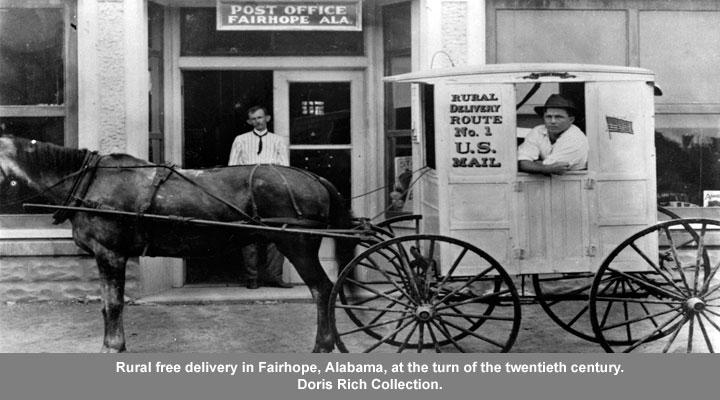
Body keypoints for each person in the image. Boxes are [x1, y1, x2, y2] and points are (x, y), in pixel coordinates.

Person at [228, 106, 292, 289]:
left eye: (260, 117)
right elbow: (233, 169)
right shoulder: (240, 140)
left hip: (272, 193)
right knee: (249, 235)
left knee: (277, 234)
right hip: (247, 192)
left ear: (268, 118)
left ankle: (275, 276)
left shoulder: (277, 141)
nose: (257, 121)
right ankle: (252, 278)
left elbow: (284, 168)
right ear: (249, 122)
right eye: (253, 119)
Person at [517, 94, 588, 175]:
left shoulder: (576, 137)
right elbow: (522, 163)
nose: (553, 121)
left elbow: (553, 167)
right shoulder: (538, 131)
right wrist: (545, 168)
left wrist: (533, 164)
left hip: (574, 183)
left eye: (558, 117)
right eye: (548, 116)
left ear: (571, 120)